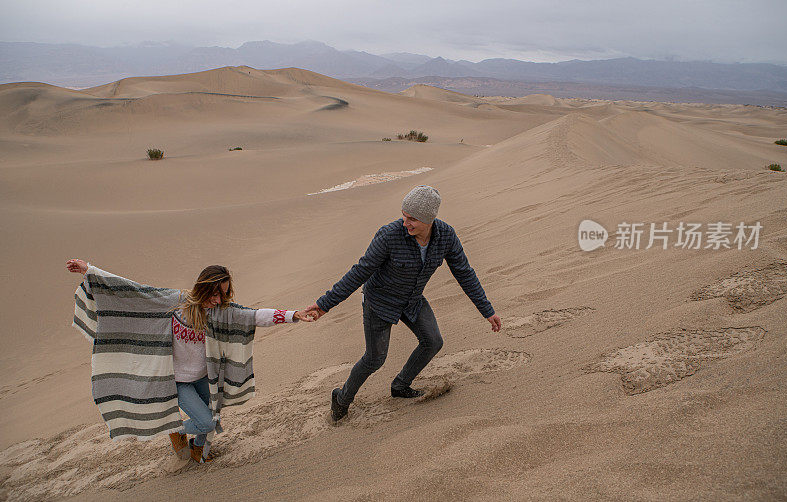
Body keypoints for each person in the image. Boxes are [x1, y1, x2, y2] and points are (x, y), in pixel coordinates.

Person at [67, 258, 314, 463]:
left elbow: (255, 316)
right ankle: (172, 428)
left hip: (204, 378)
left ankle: (198, 451)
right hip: (178, 381)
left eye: (224, 294)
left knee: (212, 417)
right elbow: (133, 291)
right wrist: (90, 270)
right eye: (215, 293)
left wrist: (294, 315)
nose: (218, 299)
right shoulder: (175, 301)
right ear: (204, 287)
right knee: (206, 422)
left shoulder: (220, 312)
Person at [305, 185, 501, 421]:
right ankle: (342, 399)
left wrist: (487, 310)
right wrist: (324, 304)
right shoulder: (389, 235)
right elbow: (359, 272)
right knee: (375, 358)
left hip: (412, 300)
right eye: (404, 216)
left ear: (429, 219)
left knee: (433, 341)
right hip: (380, 301)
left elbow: (464, 273)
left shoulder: (446, 236)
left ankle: (400, 385)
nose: (406, 223)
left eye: (413, 219)